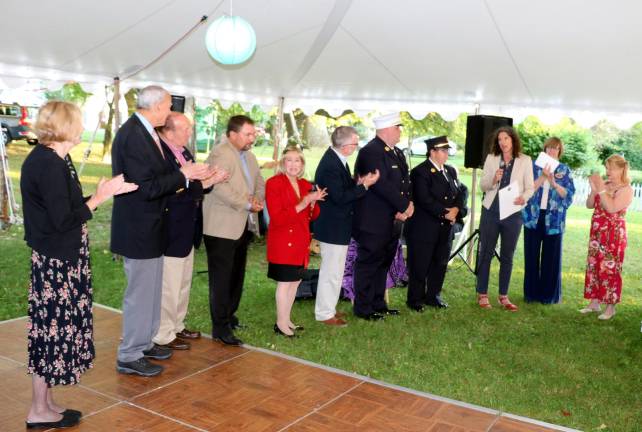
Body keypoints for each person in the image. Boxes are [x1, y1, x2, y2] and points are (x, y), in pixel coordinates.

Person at [21, 101, 137, 428]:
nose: (83, 126)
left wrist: (99, 194)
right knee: (49, 335)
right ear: (65, 126)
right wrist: (100, 198)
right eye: (79, 121)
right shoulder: (47, 164)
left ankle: (44, 405)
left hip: (64, 258)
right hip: (56, 262)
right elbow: (62, 221)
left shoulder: (58, 159)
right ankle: (37, 411)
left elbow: (69, 208)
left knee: (53, 336)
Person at [111, 85, 212, 377]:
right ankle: (129, 354)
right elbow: (147, 187)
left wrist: (187, 178)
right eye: (168, 107)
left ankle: (145, 342)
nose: (169, 113)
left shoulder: (146, 132)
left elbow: (156, 180)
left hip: (153, 226)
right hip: (139, 228)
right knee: (140, 294)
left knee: (153, 292)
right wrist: (184, 174)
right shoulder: (133, 135)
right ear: (155, 106)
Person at [153, 112, 229, 350]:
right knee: (170, 284)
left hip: (188, 225)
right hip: (171, 226)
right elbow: (168, 190)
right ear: (169, 131)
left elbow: (191, 187)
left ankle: (177, 324)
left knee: (183, 281)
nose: (189, 133)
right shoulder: (160, 154)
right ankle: (164, 333)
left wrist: (208, 181)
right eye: (185, 129)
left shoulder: (183, 151)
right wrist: (197, 183)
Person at [202, 115, 265, 346]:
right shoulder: (221, 153)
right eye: (248, 134)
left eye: (253, 133)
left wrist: (257, 199)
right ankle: (220, 327)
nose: (253, 138)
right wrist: (247, 203)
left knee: (236, 275)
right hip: (221, 227)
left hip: (242, 224)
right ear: (232, 134)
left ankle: (230, 315)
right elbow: (218, 187)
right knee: (221, 279)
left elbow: (259, 180)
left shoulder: (249, 155)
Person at [313, 126, 379, 327]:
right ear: (345, 146)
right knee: (331, 272)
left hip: (338, 225)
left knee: (335, 271)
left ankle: (328, 307)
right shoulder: (331, 165)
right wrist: (364, 186)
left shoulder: (337, 160)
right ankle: (324, 313)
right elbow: (340, 198)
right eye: (354, 143)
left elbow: (341, 189)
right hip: (333, 226)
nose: (356, 147)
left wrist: (357, 183)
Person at [352, 112, 413, 320]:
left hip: (392, 218)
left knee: (383, 262)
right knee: (369, 263)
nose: (400, 132)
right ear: (387, 128)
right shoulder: (370, 152)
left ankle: (379, 302)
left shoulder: (396, 152)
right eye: (398, 127)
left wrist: (405, 206)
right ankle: (363, 308)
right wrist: (404, 205)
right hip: (373, 219)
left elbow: (404, 183)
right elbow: (380, 185)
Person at [266, 146, 326, 336]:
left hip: (300, 241)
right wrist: (305, 202)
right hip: (283, 241)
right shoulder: (274, 183)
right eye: (289, 160)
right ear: (283, 163)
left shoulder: (304, 184)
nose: (293, 164)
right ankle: (280, 323)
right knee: (285, 283)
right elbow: (277, 217)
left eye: (297, 160)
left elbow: (312, 216)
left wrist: (314, 201)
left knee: (295, 281)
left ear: (302, 164)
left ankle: (286, 319)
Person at [406, 136, 467, 311]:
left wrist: (457, 210)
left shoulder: (449, 171)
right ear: (432, 152)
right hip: (425, 227)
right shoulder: (420, 172)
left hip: (444, 228)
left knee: (439, 263)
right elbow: (424, 199)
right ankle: (415, 300)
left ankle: (433, 296)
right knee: (420, 264)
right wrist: (445, 213)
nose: (447, 153)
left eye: (447, 150)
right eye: (443, 150)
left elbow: (459, 193)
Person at [476, 126, 534, 311]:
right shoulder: (492, 158)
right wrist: (493, 179)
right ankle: (482, 294)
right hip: (491, 210)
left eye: (506, 139)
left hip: (513, 212)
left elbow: (530, 187)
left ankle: (503, 296)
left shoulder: (525, 160)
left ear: (513, 140)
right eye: (500, 139)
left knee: (507, 256)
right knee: (486, 253)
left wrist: (523, 198)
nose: (502, 142)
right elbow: (482, 185)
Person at [522, 137, 575, 304]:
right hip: (533, 216)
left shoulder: (564, 170)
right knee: (531, 255)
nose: (552, 151)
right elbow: (526, 191)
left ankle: (548, 296)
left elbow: (569, 196)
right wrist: (543, 178)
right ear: (544, 150)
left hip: (554, 220)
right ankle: (531, 294)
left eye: (555, 149)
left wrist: (553, 183)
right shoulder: (533, 166)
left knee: (551, 258)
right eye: (549, 148)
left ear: (560, 151)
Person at [581, 154, 633, 320]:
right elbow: (589, 205)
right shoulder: (606, 184)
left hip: (613, 235)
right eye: (607, 167)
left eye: (611, 168)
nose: (608, 171)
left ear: (621, 169)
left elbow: (611, 208)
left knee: (610, 269)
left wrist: (602, 189)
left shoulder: (626, 189)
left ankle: (610, 308)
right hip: (597, 233)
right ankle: (594, 303)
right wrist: (594, 189)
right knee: (594, 265)